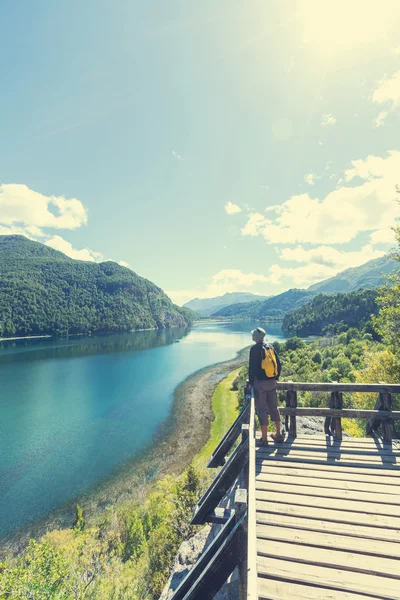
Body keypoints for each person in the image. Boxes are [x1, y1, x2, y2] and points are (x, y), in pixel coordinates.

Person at [245, 327, 283, 446]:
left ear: (256, 337)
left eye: (253, 335)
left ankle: (264, 439)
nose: (252, 336)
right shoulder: (270, 347)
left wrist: (251, 383)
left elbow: (252, 368)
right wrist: (276, 378)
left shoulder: (254, 349)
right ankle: (278, 434)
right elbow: (278, 364)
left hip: (260, 384)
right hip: (272, 382)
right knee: (273, 407)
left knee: (261, 410)